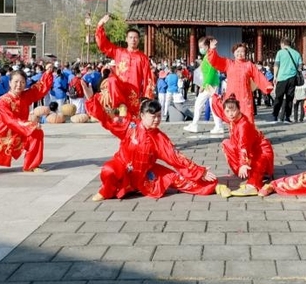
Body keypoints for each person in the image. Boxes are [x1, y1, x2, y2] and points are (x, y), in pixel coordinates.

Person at [83, 83, 225, 201]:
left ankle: (213, 186)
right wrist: (91, 99)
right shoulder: (129, 125)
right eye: (153, 116)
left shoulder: (159, 138)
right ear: (142, 115)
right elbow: (106, 119)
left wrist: (199, 172)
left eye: (158, 116)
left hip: (146, 174)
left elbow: (176, 158)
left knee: (178, 179)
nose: (157, 119)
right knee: (108, 170)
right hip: (123, 167)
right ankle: (106, 192)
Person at [211, 94, 274, 197]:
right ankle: (246, 171)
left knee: (256, 168)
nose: (230, 114)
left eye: (233, 110)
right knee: (226, 143)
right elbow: (220, 109)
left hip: (261, 151)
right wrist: (213, 96)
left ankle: (253, 184)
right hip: (250, 150)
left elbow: (243, 146)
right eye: (227, 111)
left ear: (239, 109)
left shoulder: (243, 125)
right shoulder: (232, 119)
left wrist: (243, 163)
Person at [95, 14, 155, 114]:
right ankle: (116, 106)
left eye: (135, 38)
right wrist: (100, 26)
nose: (133, 40)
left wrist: (146, 98)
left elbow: (148, 79)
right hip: (119, 91)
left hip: (134, 93)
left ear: (139, 40)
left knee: (131, 123)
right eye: (131, 37)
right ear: (126, 39)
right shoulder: (118, 52)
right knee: (112, 80)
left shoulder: (143, 58)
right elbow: (103, 45)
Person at [208, 39, 272, 124]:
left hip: (245, 97)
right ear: (233, 53)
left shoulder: (249, 65)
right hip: (232, 97)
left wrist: (266, 85)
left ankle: (247, 136)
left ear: (245, 53)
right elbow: (215, 61)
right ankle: (235, 136)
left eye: (242, 52)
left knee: (247, 118)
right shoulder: (228, 63)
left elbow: (258, 76)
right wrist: (212, 49)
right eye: (237, 51)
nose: (240, 54)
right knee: (232, 117)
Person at [184, 36, 225, 134]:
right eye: (199, 47)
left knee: (199, 104)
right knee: (212, 105)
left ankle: (194, 125)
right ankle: (218, 126)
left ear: (207, 46)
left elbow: (210, 72)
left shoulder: (210, 55)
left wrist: (204, 84)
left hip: (209, 84)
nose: (200, 49)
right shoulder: (207, 56)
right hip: (212, 83)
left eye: (202, 46)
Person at [272, 37, 303, 124]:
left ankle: (275, 116)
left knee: (279, 97)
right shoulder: (297, 53)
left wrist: (275, 77)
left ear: (282, 44)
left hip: (281, 78)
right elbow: (300, 67)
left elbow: (276, 65)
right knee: (290, 98)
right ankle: (287, 117)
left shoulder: (280, 52)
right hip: (292, 78)